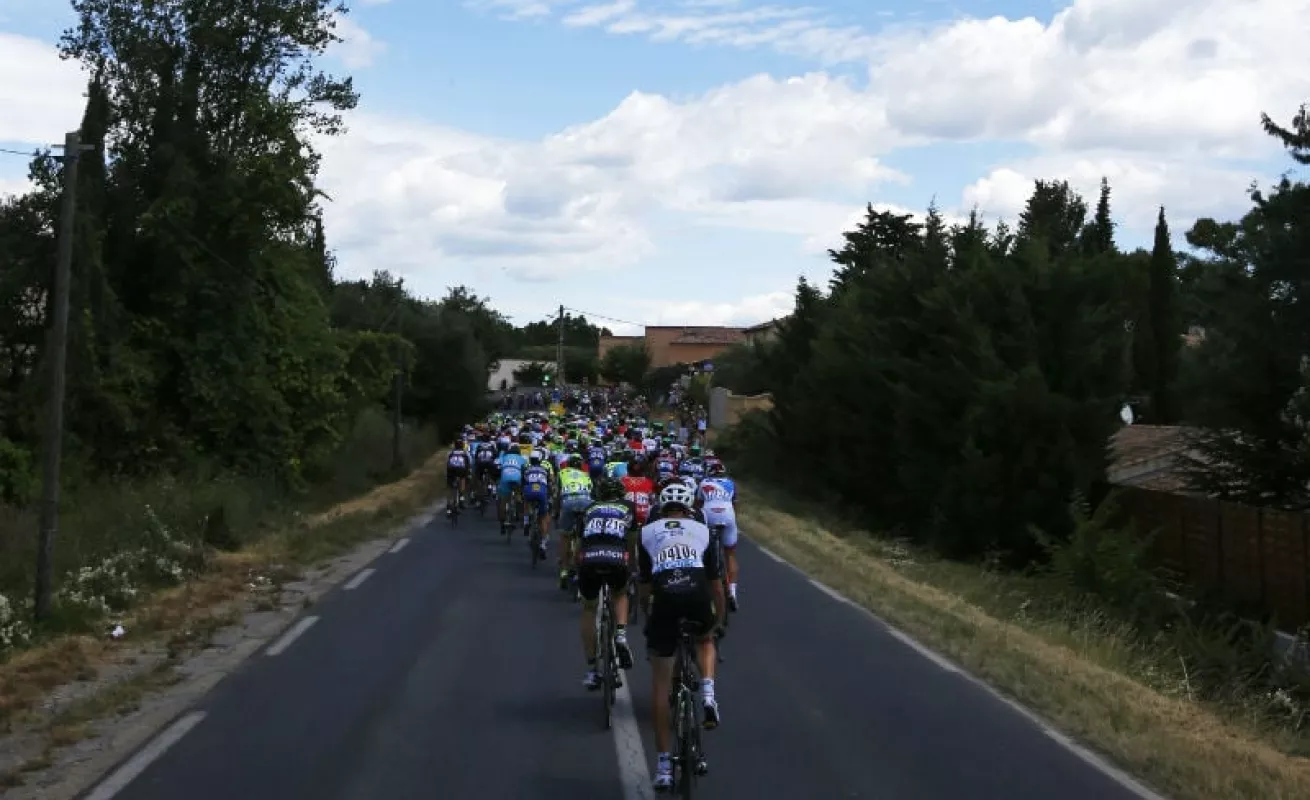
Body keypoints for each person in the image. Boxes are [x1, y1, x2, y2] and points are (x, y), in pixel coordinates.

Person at [638, 482, 726, 792]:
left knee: (661, 686)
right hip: (697, 597)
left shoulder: (647, 533)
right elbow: (717, 584)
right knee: (705, 639)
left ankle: (663, 767)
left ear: (661, 508)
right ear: (690, 507)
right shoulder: (704, 531)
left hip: (665, 600)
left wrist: (648, 617)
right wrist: (719, 620)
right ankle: (708, 694)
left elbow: (645, 586)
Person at [574, 477, 639, 689]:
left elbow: (579, 543)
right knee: (620, 593)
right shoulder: (627, 507)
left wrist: (577, 568)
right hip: (616, 557)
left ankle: (592, 669)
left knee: (589, 608)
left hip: (590, 558)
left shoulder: (589, 508)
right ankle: (620, 634)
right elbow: (631, 542)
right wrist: (632, 568)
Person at [696, 461, 740, 611]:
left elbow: (698, 504)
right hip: (728, 516)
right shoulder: (731, 483)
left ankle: (703, 583)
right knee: (730, 554)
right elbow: (735, 504)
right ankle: (732, 592)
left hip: (709, 515)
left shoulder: (704, 483)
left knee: (702, 550)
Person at [557, 454, 594, 588]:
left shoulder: (562, 473)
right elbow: (591, 492)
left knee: (564, 536)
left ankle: (564, 570)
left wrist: (556, 512)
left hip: (568, 502)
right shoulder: (586, 475)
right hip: (586, 503)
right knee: (586, 535)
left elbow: (557, 493)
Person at [523, 453, 553, 558]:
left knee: (526, 500)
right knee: (544, 517)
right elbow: (550, 483)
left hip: (530, 491)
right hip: (542, 492)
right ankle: (543, 544)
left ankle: (526, 521)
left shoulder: (527, 469)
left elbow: (524, 482)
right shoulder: (545, 470)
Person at [496, 445, 528, 532]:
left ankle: (502, 523)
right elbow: (526, 468)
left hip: (505, 478)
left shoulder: (504, 457)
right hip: (516, 478)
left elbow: (496, 464)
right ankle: (518, 506)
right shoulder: (521, 458)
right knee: (518, 493)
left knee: (503, 500)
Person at [445, 440, 471, 516]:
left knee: (449, 487)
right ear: (462, 446)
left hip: (451, 469)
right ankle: (461, 498)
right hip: (461, 469)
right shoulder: (465, 453)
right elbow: (468, 463)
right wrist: (468, 472)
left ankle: (449, 507)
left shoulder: (451, 452)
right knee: (463, 479)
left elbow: (447, 462)